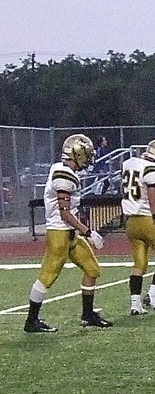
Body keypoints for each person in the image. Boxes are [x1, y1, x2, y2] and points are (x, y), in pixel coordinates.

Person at [23, 134, 111, 332]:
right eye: (86, 154)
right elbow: (65, 214)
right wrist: (88, 232)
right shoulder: (64, 174)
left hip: (70, 233)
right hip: (59, 233)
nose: (88, 158)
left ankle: (88, 314)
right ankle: (31, 321)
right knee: (47, 277)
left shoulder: (63, 170)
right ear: (77, 154)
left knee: (92, 269)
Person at [122, 139, 155, 315]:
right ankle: (153, 295)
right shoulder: (152, 170)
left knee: (139, 264)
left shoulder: (130, 163)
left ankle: (135, 304)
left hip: (130, 221)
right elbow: (153, 201)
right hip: (146, 220)